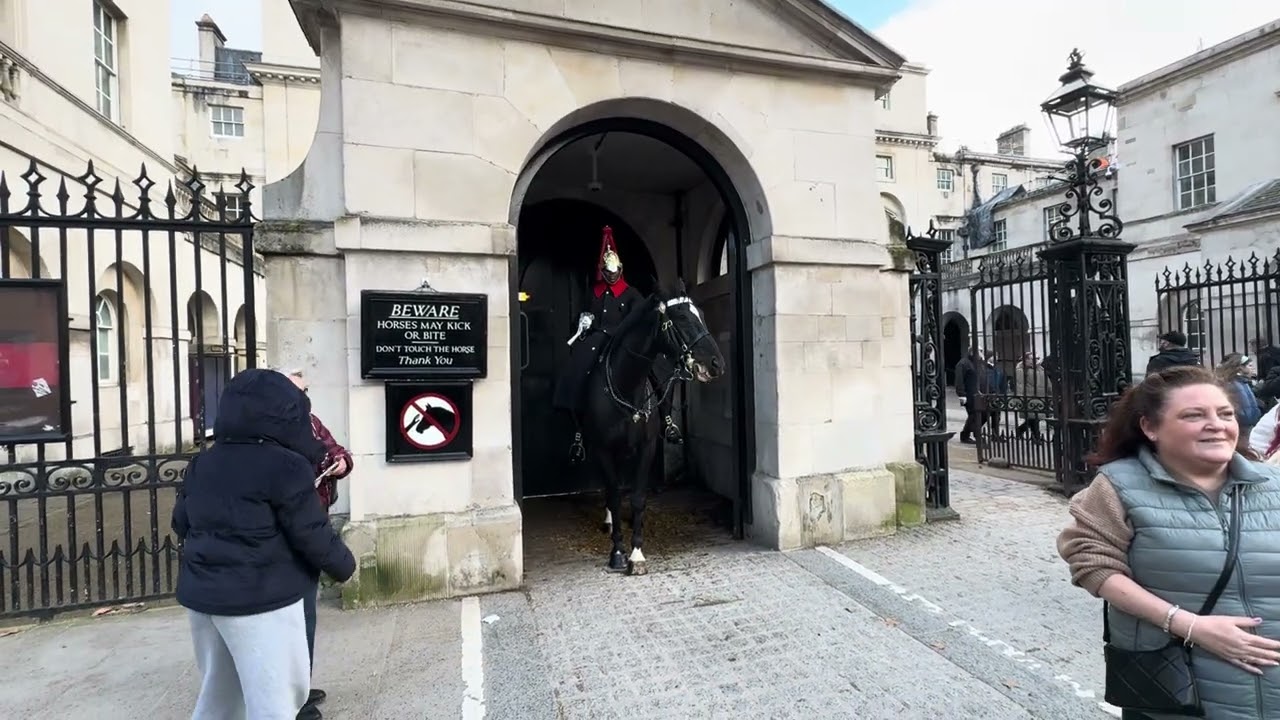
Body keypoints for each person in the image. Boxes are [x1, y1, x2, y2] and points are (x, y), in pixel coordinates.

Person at [1056, 366, 1280, 720]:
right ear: (1150, 427)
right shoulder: (1118, 486)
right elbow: (1094, 565)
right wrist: (1191, 626)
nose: (1217, 424)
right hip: (1177, 690)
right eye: (1194, 415)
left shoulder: (1273, 484)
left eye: (1225, 414)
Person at [173, 368, 356, 720]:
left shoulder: (204, 462)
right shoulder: (286, 465)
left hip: (203, 600)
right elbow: (310, 532)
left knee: (220, 697)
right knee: (273, 700)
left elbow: (181, 522)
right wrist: (343, 565)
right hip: (262, 599)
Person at [552, 226, 682, 461]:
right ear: (602, 270)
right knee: (577, 371)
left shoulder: (631, 293)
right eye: (607, 271)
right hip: (598, 339)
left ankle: (667, 420)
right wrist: (583, 322)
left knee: (657, 369)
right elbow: (582, 315)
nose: (611, 275)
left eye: (615, 271)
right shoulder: (594, 292)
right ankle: (579, 432)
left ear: (621, 270)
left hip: (625, 341)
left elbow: (642, 316)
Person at [283, 368, 354, 720]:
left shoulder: (311, 422)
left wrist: (341, 463)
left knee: (306, 615)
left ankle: (299, 686)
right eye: (298, 391)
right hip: (289, 535)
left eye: (306, 390)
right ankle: (289, 699)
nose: (304, 397)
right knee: (285, 619)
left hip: (314, 521)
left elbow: (337, 450)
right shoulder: (272, 433)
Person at [1218, 352, 1262, 439]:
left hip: (1248, 424)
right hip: (1243, 427)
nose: (1253, 368)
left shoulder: (1243, 382)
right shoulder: (1233, 384)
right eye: (1249, 366)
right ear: (1240, 367)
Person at [1013, 352, 1048, 441]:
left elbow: (1047, 382)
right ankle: (1036, 436)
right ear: (1025, 360)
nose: (1034, 361)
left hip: (1040, 397)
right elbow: (1019, 385)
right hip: (1029, 397)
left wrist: (1050, 393)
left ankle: (1021, 431)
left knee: (1035, 418)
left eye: (1035, 359)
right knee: (1034, 418)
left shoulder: (1040, 369)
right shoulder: (1021, 370)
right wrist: (1020, 397)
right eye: (1031, 359)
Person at [954, 347, 982, 444]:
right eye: (980, 351)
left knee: (975, 415)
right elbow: (959, 380)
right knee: (973, 415)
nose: (981, 353)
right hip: (968, 394)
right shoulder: (963, 363)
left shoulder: (975, 363)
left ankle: (966, 434)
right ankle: (970, 435)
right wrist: (961, 394)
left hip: (975, 393)